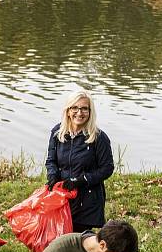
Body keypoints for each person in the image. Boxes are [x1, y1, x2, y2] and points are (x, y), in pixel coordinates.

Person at [45, 90, 114, 233]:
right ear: (68, 110)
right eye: (75, 108)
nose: (79, 112)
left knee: (78, 239)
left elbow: (107, 168)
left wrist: (82, 180)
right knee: (57, 236)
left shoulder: (99, 138)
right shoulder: (57, 132)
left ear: (90, 111)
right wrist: (52, 176)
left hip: (87, 198)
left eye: (84, 108)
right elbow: (51, 160)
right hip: (62, 195)